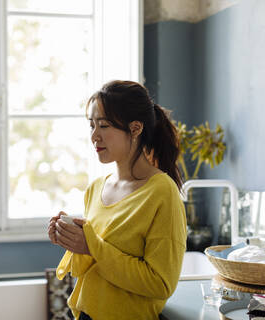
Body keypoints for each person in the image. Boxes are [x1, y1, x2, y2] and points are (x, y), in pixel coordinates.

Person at [47, 80, 187, 320]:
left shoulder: (162, 192)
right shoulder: (95, 189)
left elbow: (160, 283)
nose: (94, 136)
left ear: (135, 128)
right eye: (91, 125)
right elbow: (94, 265)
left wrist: (91, 245)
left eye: (103, 125)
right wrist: (71, 241)